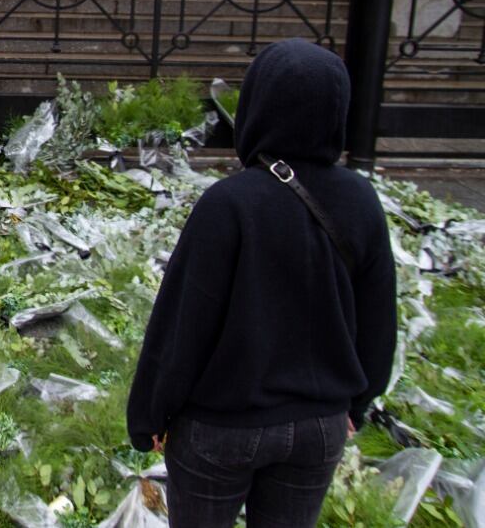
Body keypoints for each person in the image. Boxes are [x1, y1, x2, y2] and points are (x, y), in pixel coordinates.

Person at [126, 38, 398, 528]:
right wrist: (357, 403)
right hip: (319, 426)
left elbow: (183, 322)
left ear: (257, 107)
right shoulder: (361, 201)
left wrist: (150, 415)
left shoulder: (229, 203)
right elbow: (379, 322)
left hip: (221, 426)